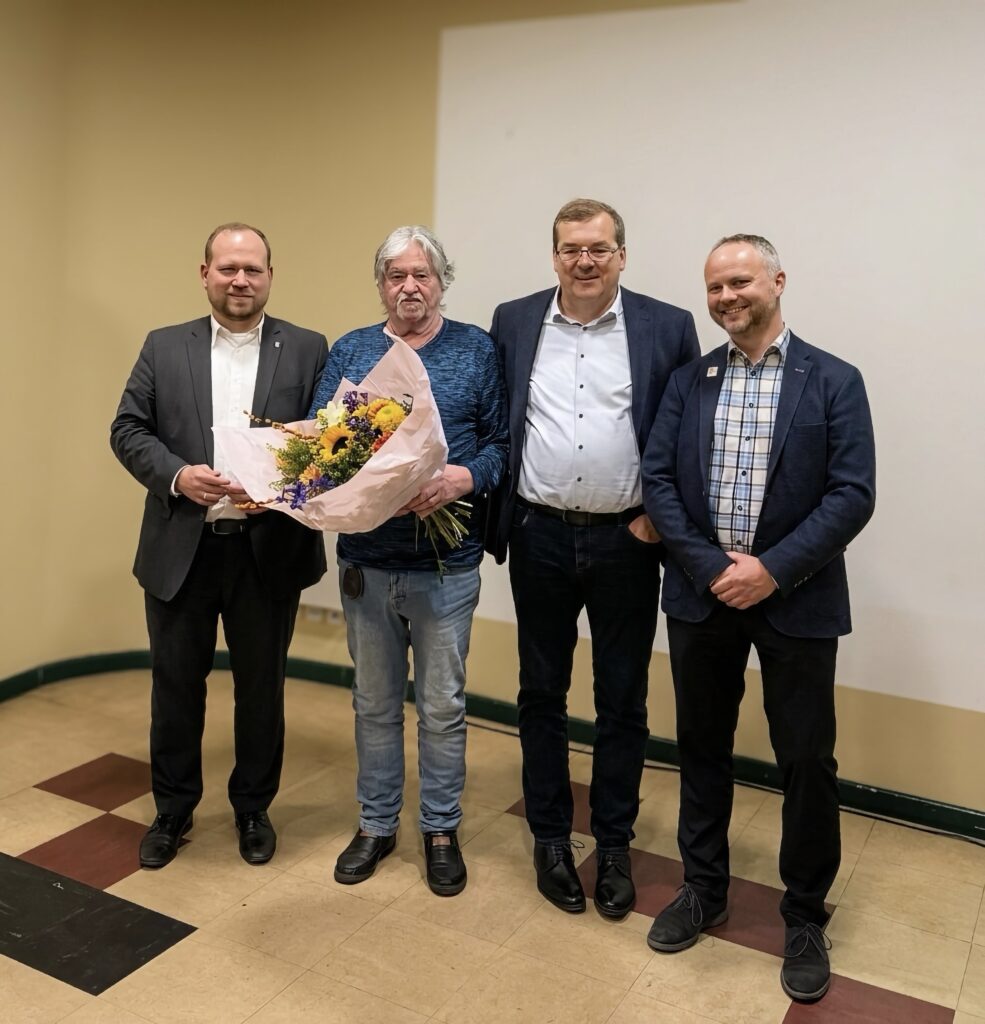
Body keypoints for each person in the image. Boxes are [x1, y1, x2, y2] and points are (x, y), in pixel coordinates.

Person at [641, 234, 876, 1002]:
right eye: (713, 288)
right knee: (701, 748)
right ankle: (701, 888)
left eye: (738, 282)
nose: (725, 298)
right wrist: (714, 569)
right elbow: (658, 482)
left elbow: (851, 494)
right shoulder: (688, 381)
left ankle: (803, 916)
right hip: (703, 597)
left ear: (776, 280)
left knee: (805, 761)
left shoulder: (834, 380)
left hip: (796, 599)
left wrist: (771, 570)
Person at [486, 199, 700, 918]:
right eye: (571, 248)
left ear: (621, 256)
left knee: (622, 699)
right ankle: (551, 837)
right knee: (540, 693)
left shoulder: (665, 327)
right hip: (539, 534)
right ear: (553, 256)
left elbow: (683, 434)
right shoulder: (514, 320)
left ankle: (611, 843)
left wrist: (658, 523)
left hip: (625, 541)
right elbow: (500, 417)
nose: (584, 260)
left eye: (599, 249)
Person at [110, 223, 328, 869]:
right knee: (176, 688)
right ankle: (172, 810)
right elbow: (127, 428)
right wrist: (178, 475)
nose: (240, 280)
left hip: (268, 551)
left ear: (269, 275)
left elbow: (327, 446)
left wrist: (286, 490)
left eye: (252, 269)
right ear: (204, 272)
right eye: (228, 268)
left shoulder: (309, 349)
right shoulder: (164, 346)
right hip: (184, 548)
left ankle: (253, 808)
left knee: (261, 689)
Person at [311, 226, 507, 897]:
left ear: (441, 280)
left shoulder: (475, 349)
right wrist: (368, 484)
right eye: (395, 276)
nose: (409, 287)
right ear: (380, 285)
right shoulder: (353, 350)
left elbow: (501, 446)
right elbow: (324, 450)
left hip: (446, 566)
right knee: (372, 704)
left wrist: (459, 480)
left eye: (421, 274)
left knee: (444, 706)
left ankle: (440, 829)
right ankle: (374, 825)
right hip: (368, 561)